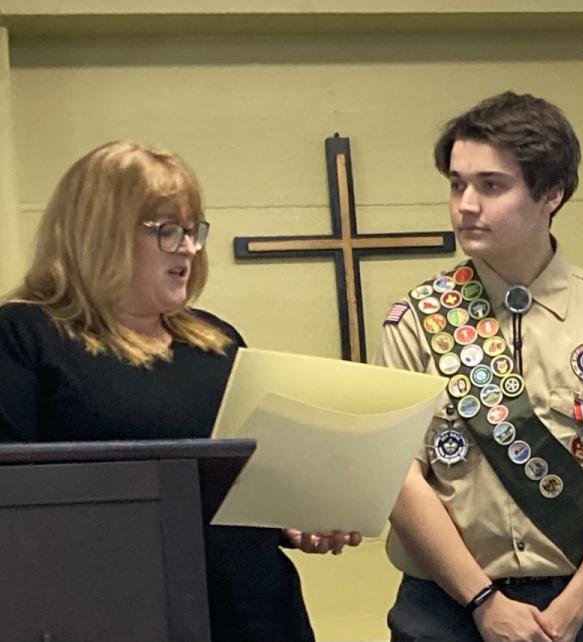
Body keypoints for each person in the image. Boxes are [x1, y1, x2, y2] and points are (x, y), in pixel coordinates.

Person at [0, 140, 361, 642]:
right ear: (99, 234)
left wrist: (298, 518)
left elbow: (250, 488)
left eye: (193, 231)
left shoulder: (217, 341)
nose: (189, 247)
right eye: (168, 231)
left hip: (254, 616)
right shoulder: (25, 336)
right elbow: (17, 510)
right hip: (112, 617)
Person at [377, 91, 583, 641]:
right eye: (457, 184)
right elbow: (399, 481)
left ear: (551, 193)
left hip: (577, 607)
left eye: (491, 186)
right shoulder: (418, 320)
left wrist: (571, 612)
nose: (466, 205)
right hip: (442, 611)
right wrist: (482, 603)